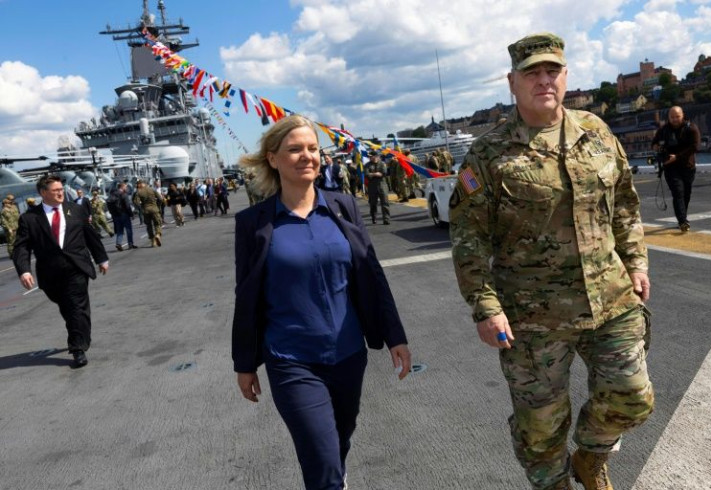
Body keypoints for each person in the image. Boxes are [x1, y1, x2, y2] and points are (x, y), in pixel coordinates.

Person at [449, 33, 654, 490]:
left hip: (610, 298)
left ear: (565, 76)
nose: (544, 80)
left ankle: (590, 456)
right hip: (531, 317)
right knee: (540, 429)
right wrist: (485, 306)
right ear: (512, 82)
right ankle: (555, 482)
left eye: (553, 71)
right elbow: (469, 238)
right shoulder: (487, 154)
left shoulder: (596, 133)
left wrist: (637, 263)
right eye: (532, 73)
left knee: (632, 397)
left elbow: (624, 204)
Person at [233, 115, 411, 490]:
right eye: (295, 149)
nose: (306, 156)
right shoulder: (253, 223)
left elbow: (372, 275)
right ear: (273, 158)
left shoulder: (343, 207)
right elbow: (246, 296)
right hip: (291, 359)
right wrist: (245, 363)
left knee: (339, 440)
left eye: (312, 148)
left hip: (348, 354)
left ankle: (332, 477)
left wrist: (396, 336)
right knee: (321, 454)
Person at [12, 175, 109, 368]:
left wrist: (101, 258)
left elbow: (91, 236)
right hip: (50, 274)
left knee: (76, 306)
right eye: (55, 190)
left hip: (76, 268)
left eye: (61, 189)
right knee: (68, 308)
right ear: (43, 193)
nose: (60, 193)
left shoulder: (76, 210)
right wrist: (24, 271)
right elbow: (21, 247)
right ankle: (80, 333)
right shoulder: (29, 218)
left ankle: (77, 348)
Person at [651, 106, 700, 232]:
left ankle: (683, 217)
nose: (675, 119)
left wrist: (677, 156)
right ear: (668, 117)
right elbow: (654, 144)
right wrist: (657, 148)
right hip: (670, 167)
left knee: (686, 194)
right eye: (672, 117)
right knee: (678, 192)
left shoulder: (691, 128)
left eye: (677, 116)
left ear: (682, 115)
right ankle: (682, 221)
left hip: (687, 166)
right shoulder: (663, 130)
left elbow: (695, 146)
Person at [133, 181, 163, 247]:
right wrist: (158, 206)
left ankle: (153, 241)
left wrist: (141, 208)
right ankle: (157, 235)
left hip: (145, 210)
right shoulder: (152, 190)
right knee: (157, 223)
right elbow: (160, 199)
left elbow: (136, 202)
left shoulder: (138, 192)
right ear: (145, 184)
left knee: (149, 226)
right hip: (154, 209)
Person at [108, 182, 137, 251]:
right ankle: (130, 244)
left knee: (119, 230)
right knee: (128, 229)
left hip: (116, 215)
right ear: (122, 187)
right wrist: (131, 214)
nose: (126, 188)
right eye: (125, 187)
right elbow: (127, 206)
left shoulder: (112, 194)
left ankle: (118, 243)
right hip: (124, 214)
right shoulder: (124, 194)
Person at [365, 151, 390, 224]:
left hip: (382, 185)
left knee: (385, 203)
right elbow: (367, 175)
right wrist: (376, 174)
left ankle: (386, 219)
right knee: (373, 204)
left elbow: (384, 173)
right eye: (369, 157)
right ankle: (374, 217)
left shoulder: (382, 164)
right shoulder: (367, 165)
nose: (370, 158)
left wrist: (372, 174)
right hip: (372, 186)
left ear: (375, 156)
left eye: (371, 156)